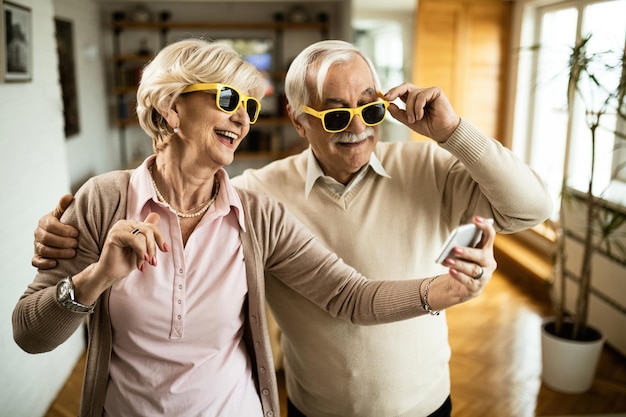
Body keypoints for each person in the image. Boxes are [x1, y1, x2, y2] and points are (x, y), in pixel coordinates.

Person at [28, 39, 548, 417]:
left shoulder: (257, 211)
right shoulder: (238, 197)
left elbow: (353, 296)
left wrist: (453, 135)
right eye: (229, 100)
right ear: (171, 106)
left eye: (250, 107)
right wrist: (89, 275)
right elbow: (30, 331)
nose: (244, 118)